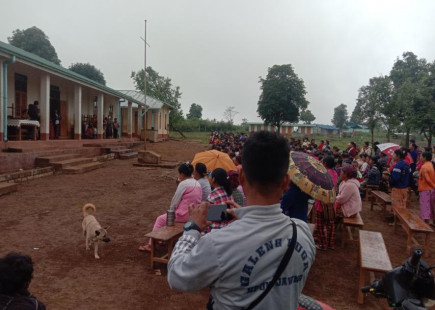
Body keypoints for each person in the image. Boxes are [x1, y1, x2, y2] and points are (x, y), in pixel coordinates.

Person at [167, 131, 315, 310]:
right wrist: (246, 215)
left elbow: (176, 276)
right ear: (285, 182)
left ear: (242, 177)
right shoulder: (303, 233)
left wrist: (192, 228)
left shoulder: (218, 243)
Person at [138, 162, 202, 252]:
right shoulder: (197, 183)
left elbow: (174, 201)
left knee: (160, 219)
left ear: (182, 174)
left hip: (183, 215)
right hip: (194, 215)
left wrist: (171, 211)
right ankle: (160, 240)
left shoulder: (184, 184)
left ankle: (150, 245)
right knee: (167, 218)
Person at [314, 156, 338, 250]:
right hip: (331, 201)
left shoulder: (322, 173)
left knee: (320, 224)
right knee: (330, 224)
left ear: (325, 164)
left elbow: (319, 187)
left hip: (321, 202)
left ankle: (323, 245)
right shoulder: (335, 173)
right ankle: (330, 243)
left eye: (322, 162)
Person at [203, 168, 235, 234]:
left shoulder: (212, 195)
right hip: (230, 227)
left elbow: (210, 218)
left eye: (210, 176)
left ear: (213, 179)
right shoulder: (229, 193)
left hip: (216, 230)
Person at [417, 152, 435, 225]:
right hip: (431, 189)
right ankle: (432, 222)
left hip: (425, 189)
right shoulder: (430, 165)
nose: (420, 157)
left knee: (425, 206)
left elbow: (427, 179)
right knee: (430, 206)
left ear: (425, 158)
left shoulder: (424, 167)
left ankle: (425, 224)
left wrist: (433, 186)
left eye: (421, 156)